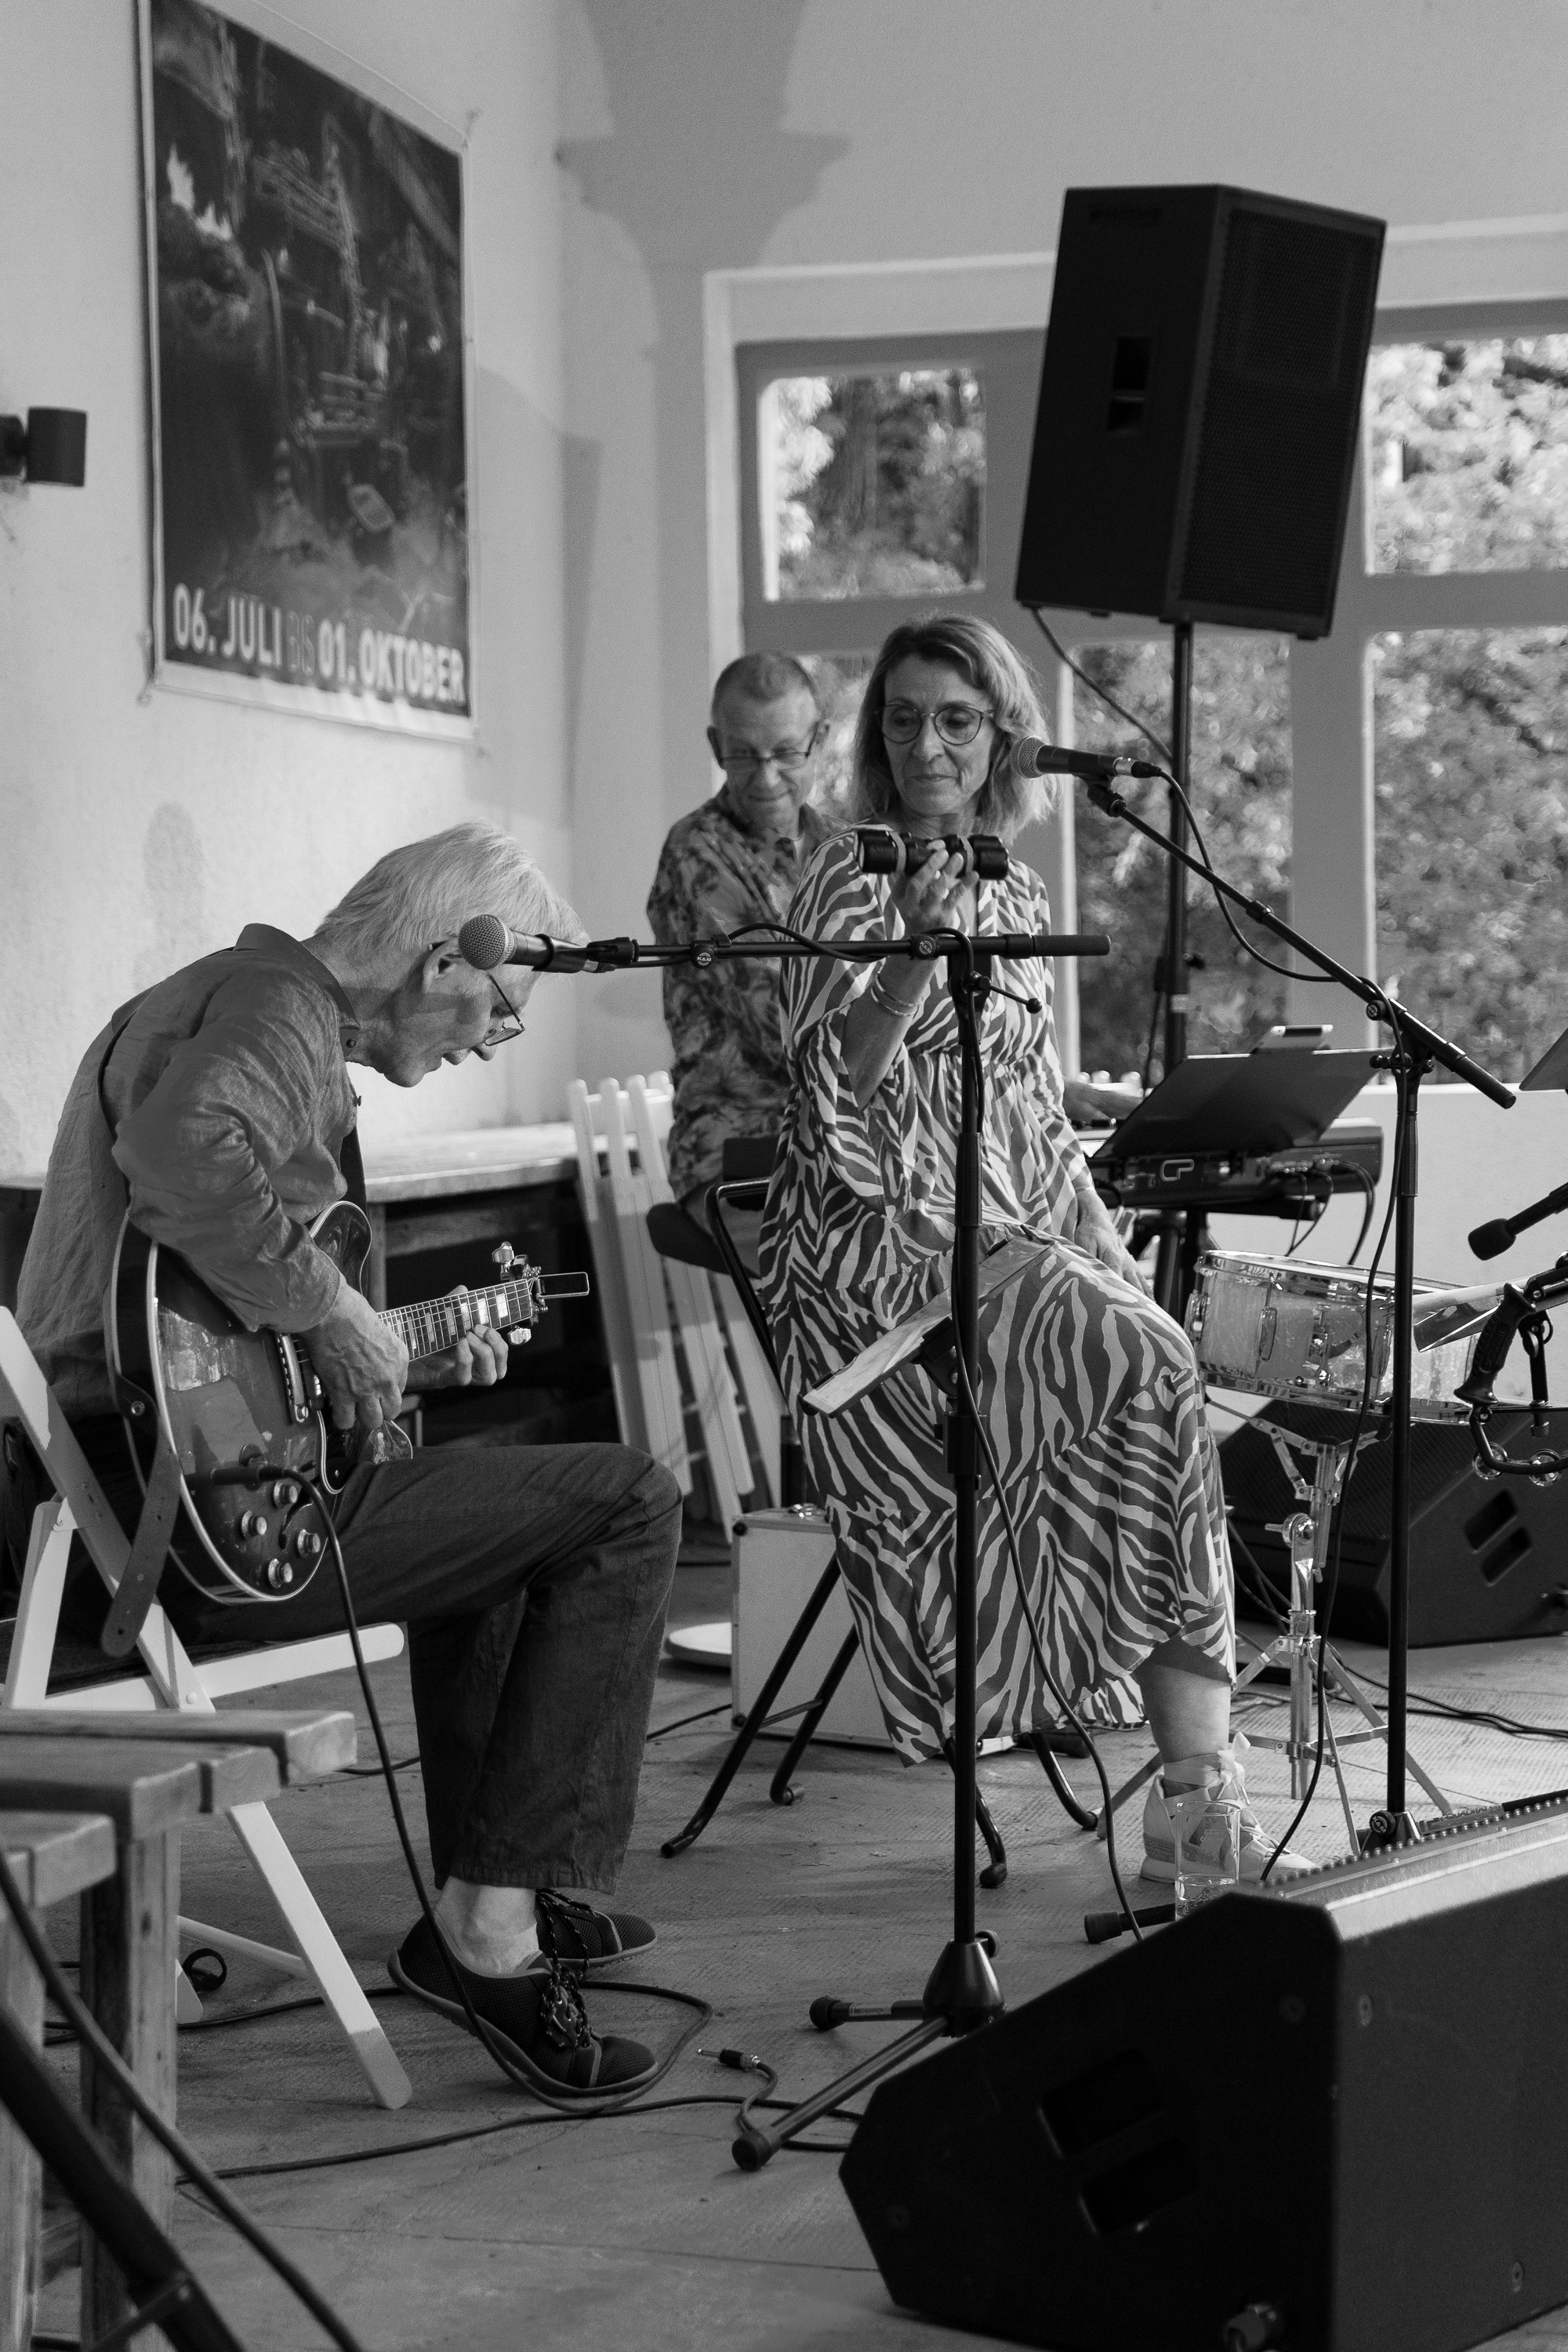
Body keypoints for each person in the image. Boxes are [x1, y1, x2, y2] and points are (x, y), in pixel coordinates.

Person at [3, 822, 683, 2094]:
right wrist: (334, 1311)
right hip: (169, 1521)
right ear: (443, 960)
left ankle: (497, 1883)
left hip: (126, 1496)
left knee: (520, 1521)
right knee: (634, 1501)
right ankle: (489, 1928)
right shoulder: (276, 1010)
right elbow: (183, 1161)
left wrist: (388, 1360)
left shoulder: (231, 1001)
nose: (499, 1037)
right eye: (502, 1006)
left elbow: (200, 1336)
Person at [758, 615, 1305, 1883]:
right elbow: (827, 1086)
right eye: (903, 719)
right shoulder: (843, 873)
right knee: (1143, 1362)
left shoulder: (1017, 887)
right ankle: (1195, 1790)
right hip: (872, 1245)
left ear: (1003, 736)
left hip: (1001, 1231)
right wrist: (911, 953)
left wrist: (1106, 1249)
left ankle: (1194, 1782)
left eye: (956, 720)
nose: (927, 745)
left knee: (1158, 1358)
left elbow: (1030, 1116)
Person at [647, 651, 833, 1269]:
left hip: (846, 1147)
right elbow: (782, 1025)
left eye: (786, 753)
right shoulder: (697, 851)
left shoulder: (842, 847)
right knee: (864, 1283)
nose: (767, 778)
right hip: (743, 1154)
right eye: (745, 755)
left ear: (820, 740)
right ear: (715, 746)